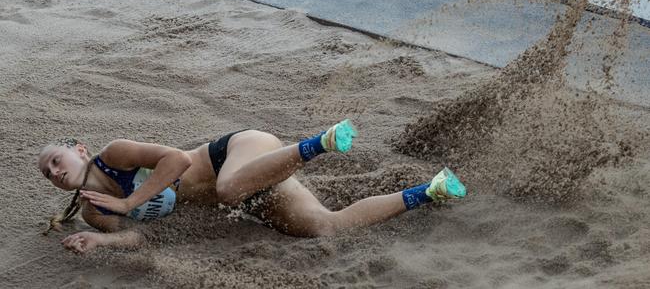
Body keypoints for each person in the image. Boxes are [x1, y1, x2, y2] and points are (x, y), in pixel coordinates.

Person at [38, 120, 466, 253]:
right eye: (49, 174)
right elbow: (139, 235)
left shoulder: (115, 154)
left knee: (226, 190)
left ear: (79, 149)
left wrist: (132, 197)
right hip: (251, 191)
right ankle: (431, 190)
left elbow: (179, 160)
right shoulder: (95, 211)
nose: (56, 172)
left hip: (238, 152)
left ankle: (323, 141)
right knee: (326, 227)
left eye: (57, 160)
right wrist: (100, 242)